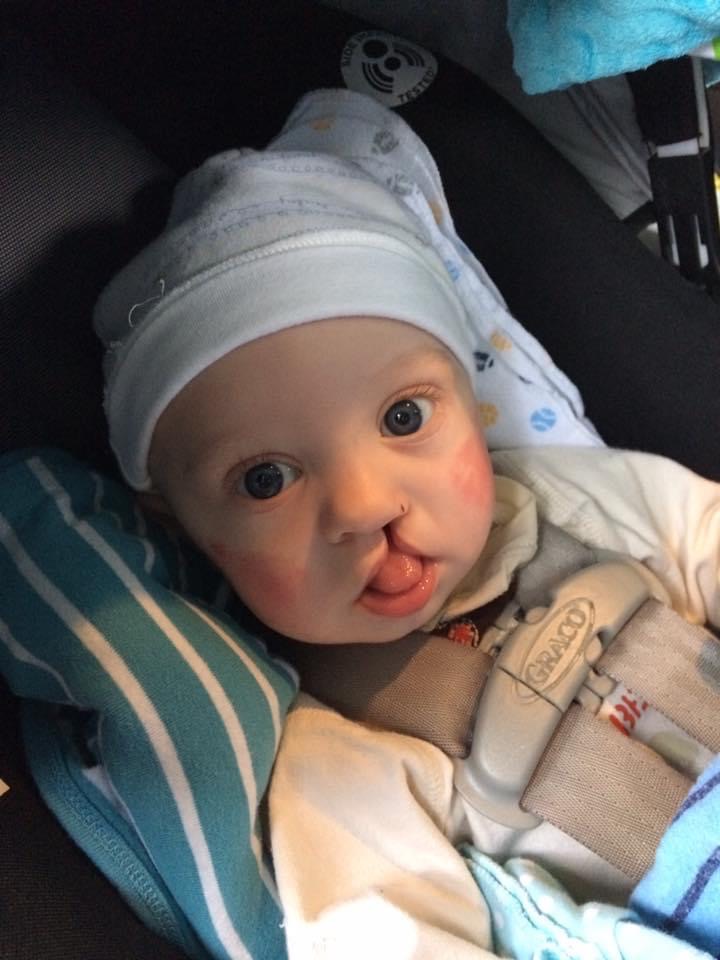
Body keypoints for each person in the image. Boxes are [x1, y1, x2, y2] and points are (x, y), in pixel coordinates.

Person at [93, 89, 720, 958]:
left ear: (470, 397)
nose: (364, 505)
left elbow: (707, 535)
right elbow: (387, 931)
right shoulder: (336, 751)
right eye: (266, 478)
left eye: (401, 420)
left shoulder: (575, 500)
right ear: (184, 528)